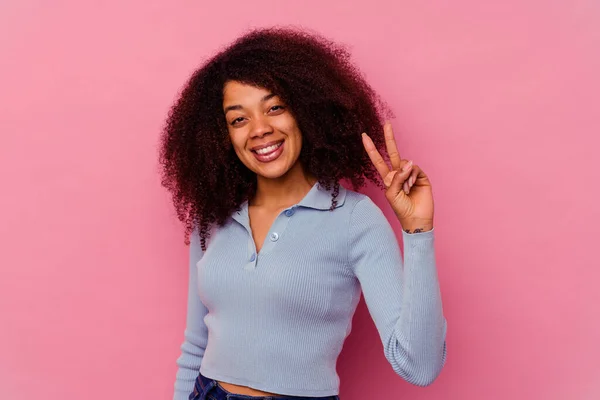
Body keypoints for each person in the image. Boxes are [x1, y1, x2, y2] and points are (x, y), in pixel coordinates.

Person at [159, 27, 447, 400]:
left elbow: (419, 366)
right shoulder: (212, 216)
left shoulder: (355, 218)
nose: (260, 130)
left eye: (275, 107)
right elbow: (196, 345)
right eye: (238, 119)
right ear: (221, 135)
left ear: (306, 110)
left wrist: (418, 232)